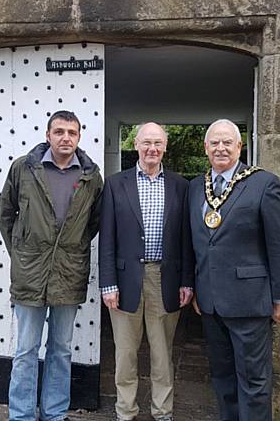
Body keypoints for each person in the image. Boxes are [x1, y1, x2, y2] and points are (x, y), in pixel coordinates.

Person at [0, 110, 103, 421]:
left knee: (61, 350)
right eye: (59, 132)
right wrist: (22, 253)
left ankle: (55, 414)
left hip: (69, 275)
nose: (65, 138)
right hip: (29, 275)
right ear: (48, 135)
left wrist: (70, 250)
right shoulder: (23, 168)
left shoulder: (91, 176)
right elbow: (5, 213)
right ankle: (21, 415)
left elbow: (92, 223)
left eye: (71, 132)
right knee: (26, 351)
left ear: (79, 136)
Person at [189, 119, 280, 421]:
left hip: (249, 301)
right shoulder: (197, 187)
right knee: (222, 379)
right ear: (206, 148)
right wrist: (194, 286)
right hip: (209, 302)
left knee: (254, 383)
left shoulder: (263, 182)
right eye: (214, 143)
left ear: (239, 146)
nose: (220, 148)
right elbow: (193, 242)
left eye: (227, 142)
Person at [99, 122, 195, 421]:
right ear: (136, 145)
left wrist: (187, 281)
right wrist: (107, 284)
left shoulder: (181, 185)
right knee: (125, 352)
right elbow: (107, 238)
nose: (152, 148)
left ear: (165, 146)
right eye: (146, 143)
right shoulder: (116, 184)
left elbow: (186, 239)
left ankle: (162, 412)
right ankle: (125, 412)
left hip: (164, 278)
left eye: (157, 143)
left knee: (162, 353)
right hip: (125, 280)